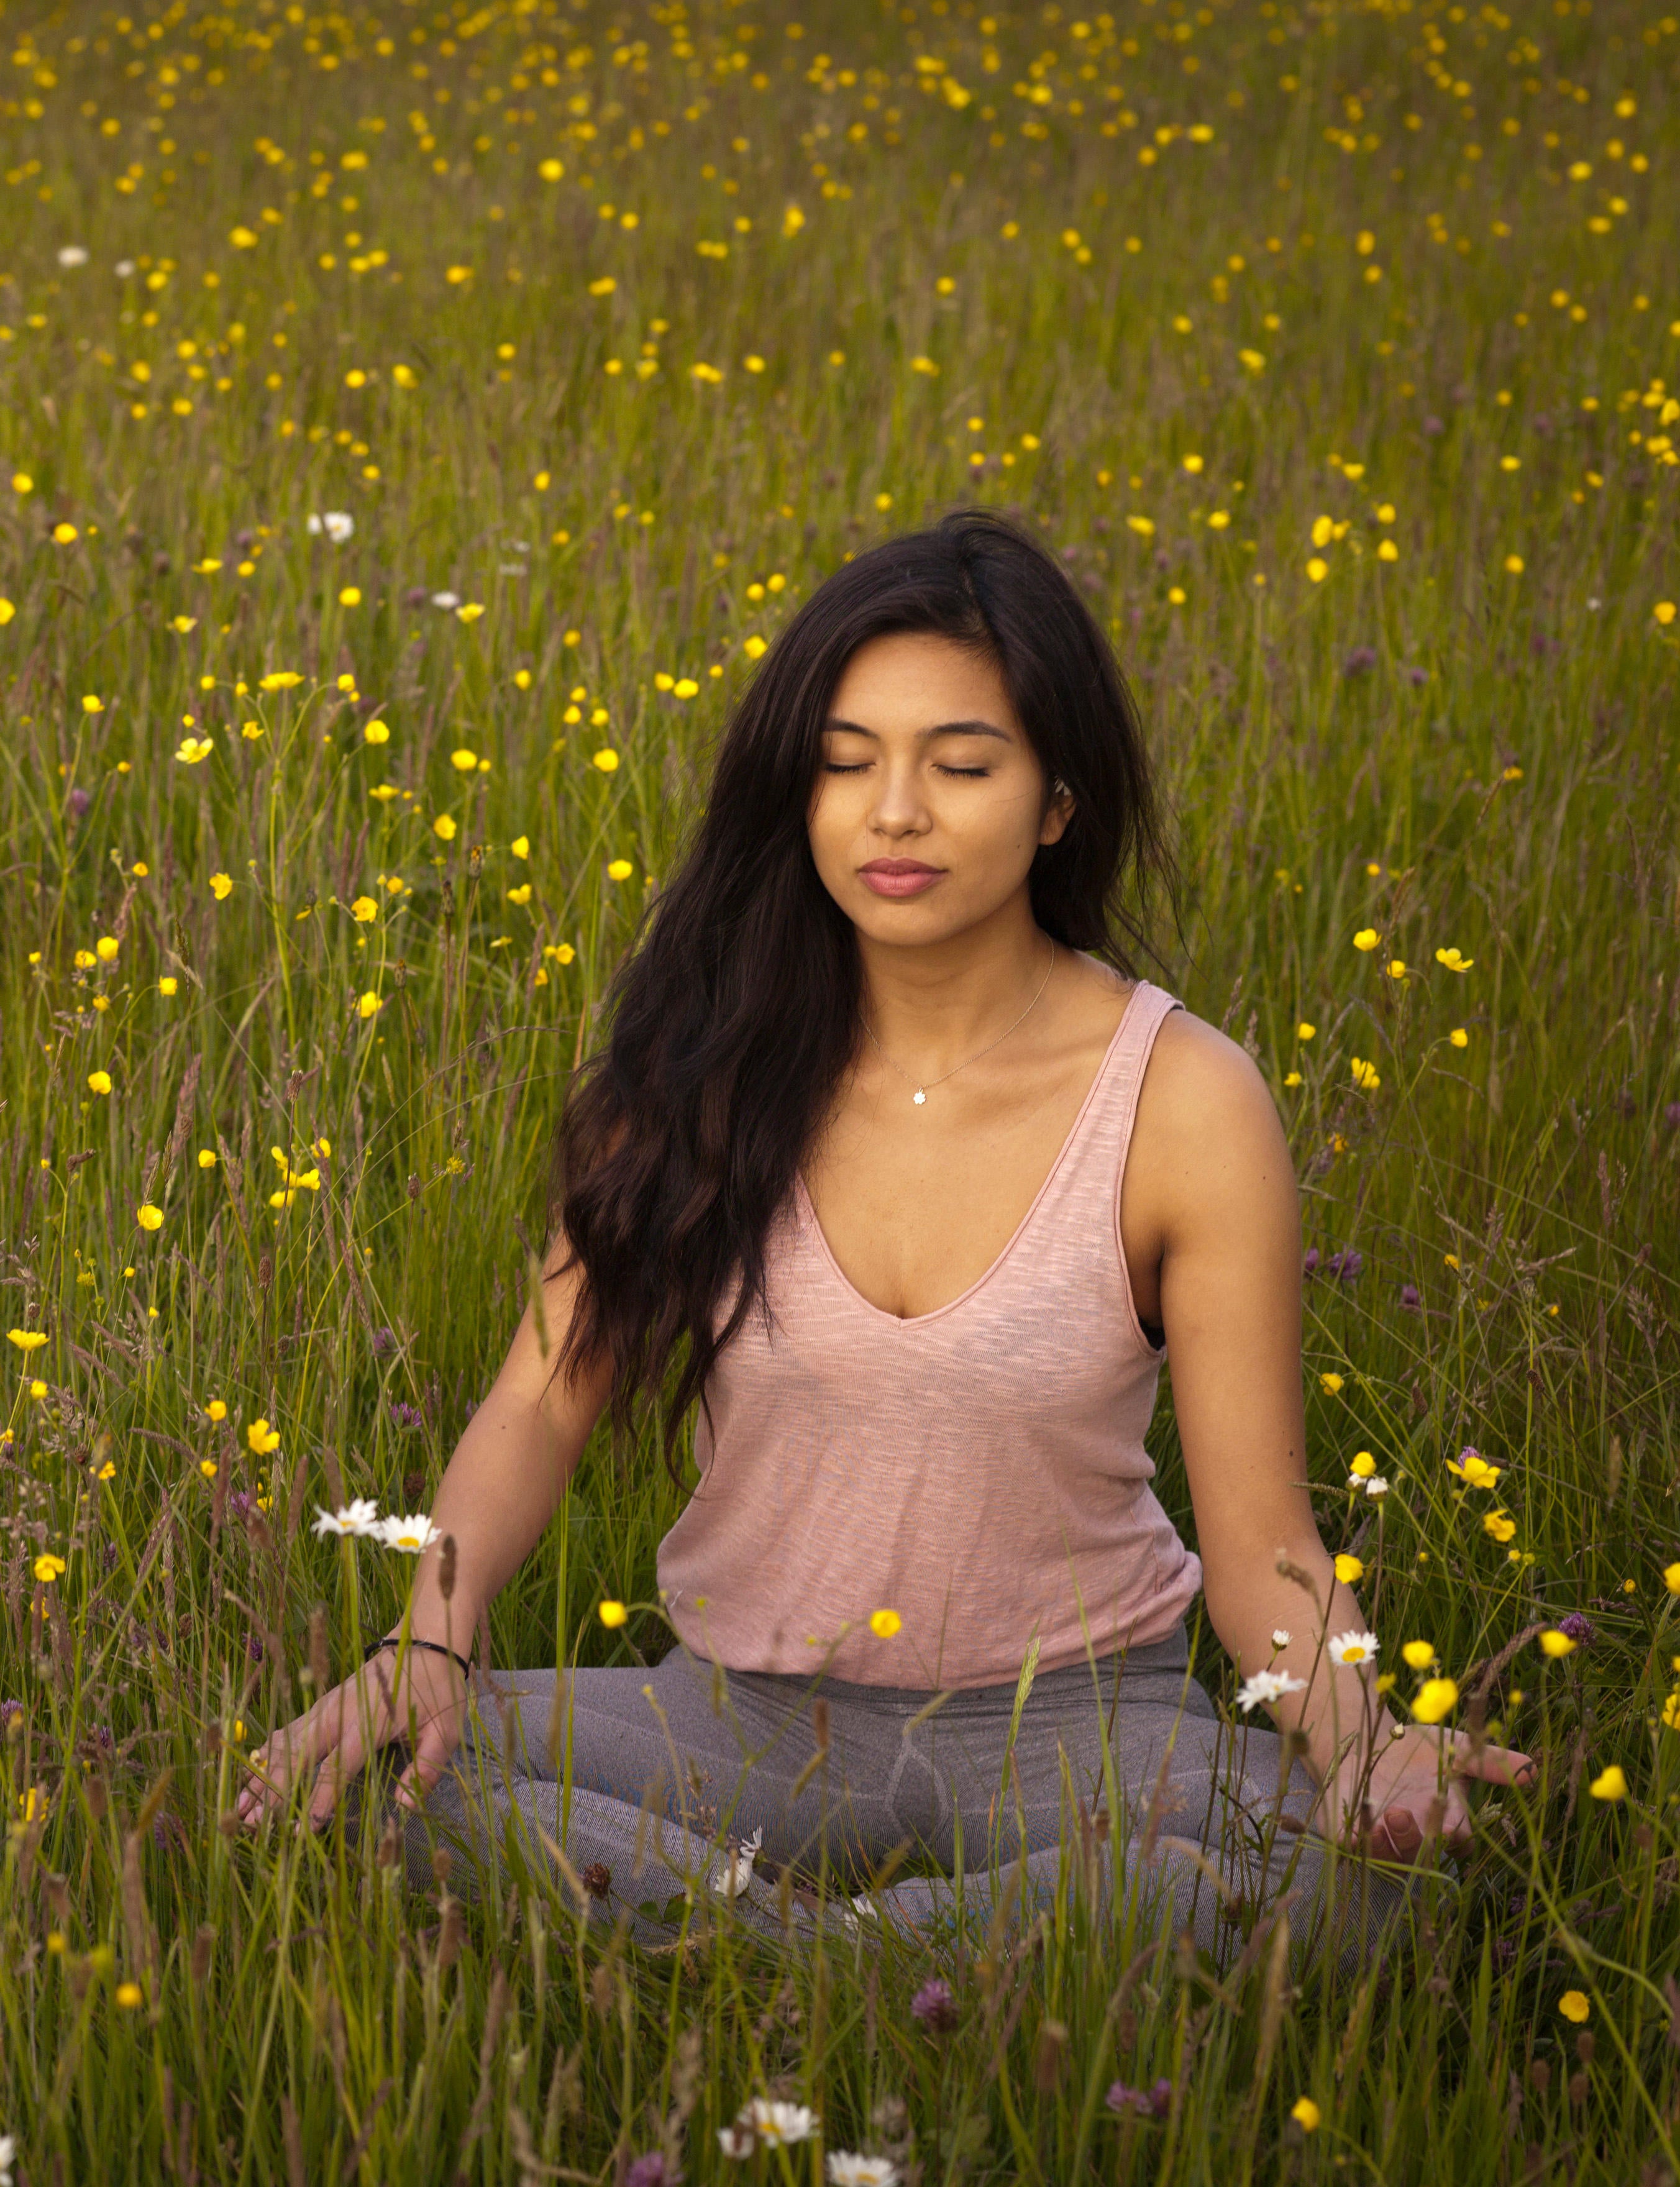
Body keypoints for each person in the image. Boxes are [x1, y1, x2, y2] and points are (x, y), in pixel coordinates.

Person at [232, 507, 1534, 1972]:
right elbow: (537, 1401)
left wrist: (1360, 1750)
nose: (892, 811)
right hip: (733, 1714)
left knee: (1389, 1891)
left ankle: (761, 1958)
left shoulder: (1182, 1100)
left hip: (1080, 1729)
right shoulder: (695, 1067)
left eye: (959, 765)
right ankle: (896, 1966)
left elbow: (1262, 1546)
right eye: (845, 764)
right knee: (357, 1782)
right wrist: (424, 1639)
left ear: (1053, 800)